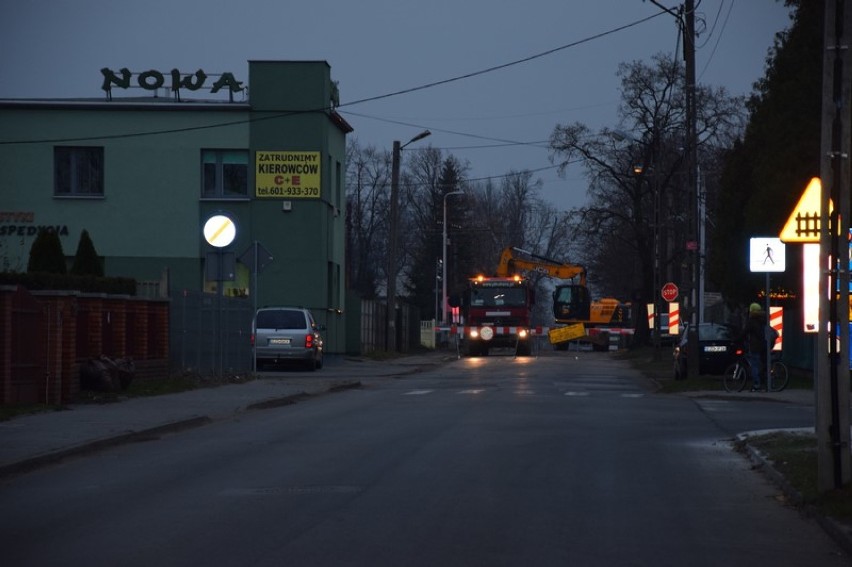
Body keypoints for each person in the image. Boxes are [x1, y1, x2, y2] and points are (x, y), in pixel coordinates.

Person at [736, 303, 768, 391]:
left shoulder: (752, 321)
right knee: (761, 364)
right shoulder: (762, 319)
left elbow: (745, 331)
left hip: (755, 346)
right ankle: (765, 382)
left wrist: (738, 338)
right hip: (763, 344)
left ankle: (756, 385)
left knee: (754, 365)